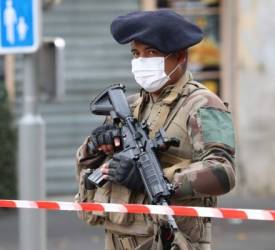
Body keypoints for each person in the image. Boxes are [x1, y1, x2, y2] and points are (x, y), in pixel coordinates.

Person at [75, 9, 236, 250]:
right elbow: (86, 165)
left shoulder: (202, 104)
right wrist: (96, 145)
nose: (141, 61)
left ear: (180, 57)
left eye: (151, 53)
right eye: (136, 54)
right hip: (117, 240)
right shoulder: (129, 106)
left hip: (172, 240)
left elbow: (223, 173)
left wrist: (160, 179)